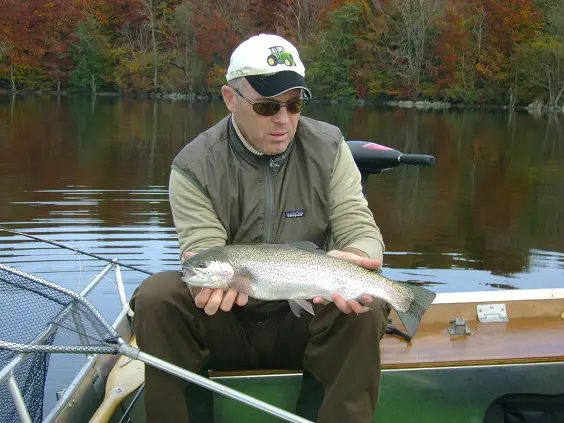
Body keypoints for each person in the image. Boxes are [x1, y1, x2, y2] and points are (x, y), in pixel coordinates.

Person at [130, 33, 390, 423]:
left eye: (294, 104)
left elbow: (358, 223)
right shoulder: (194, 165)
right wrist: (204, 279)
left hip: (306, 321)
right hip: (227, 322)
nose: (283, 119)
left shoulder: (330, 147)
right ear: (231, 99)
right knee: (157, 296)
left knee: (367, 306)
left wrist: (359, 255)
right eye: (268, 106)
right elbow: (201, 245)